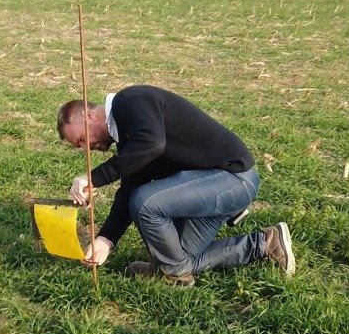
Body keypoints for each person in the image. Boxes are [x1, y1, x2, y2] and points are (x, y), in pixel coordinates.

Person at [57, 84, 294, 286]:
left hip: (233, 178)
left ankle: (173, 274)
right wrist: (105, 240)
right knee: (179, 257)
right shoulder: (129, 137)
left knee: (144, 202)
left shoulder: (130, 101)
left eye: (81, 139)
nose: (85, 148)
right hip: (210, 186)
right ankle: (264, 243)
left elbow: (152, 143)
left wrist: (94, 178)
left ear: (88, 116)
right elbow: (129, 185)